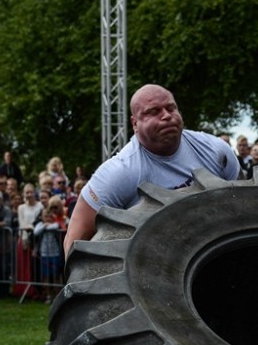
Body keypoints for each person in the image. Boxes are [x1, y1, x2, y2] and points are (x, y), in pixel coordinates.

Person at [63, 84, 241, 253]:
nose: (166, 116)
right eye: (154, 112)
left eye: (171, 108)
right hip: (151, 264)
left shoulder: (215, 151)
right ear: (135, 124)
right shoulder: (119, 173)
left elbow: (244, 202)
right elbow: (75, 238)